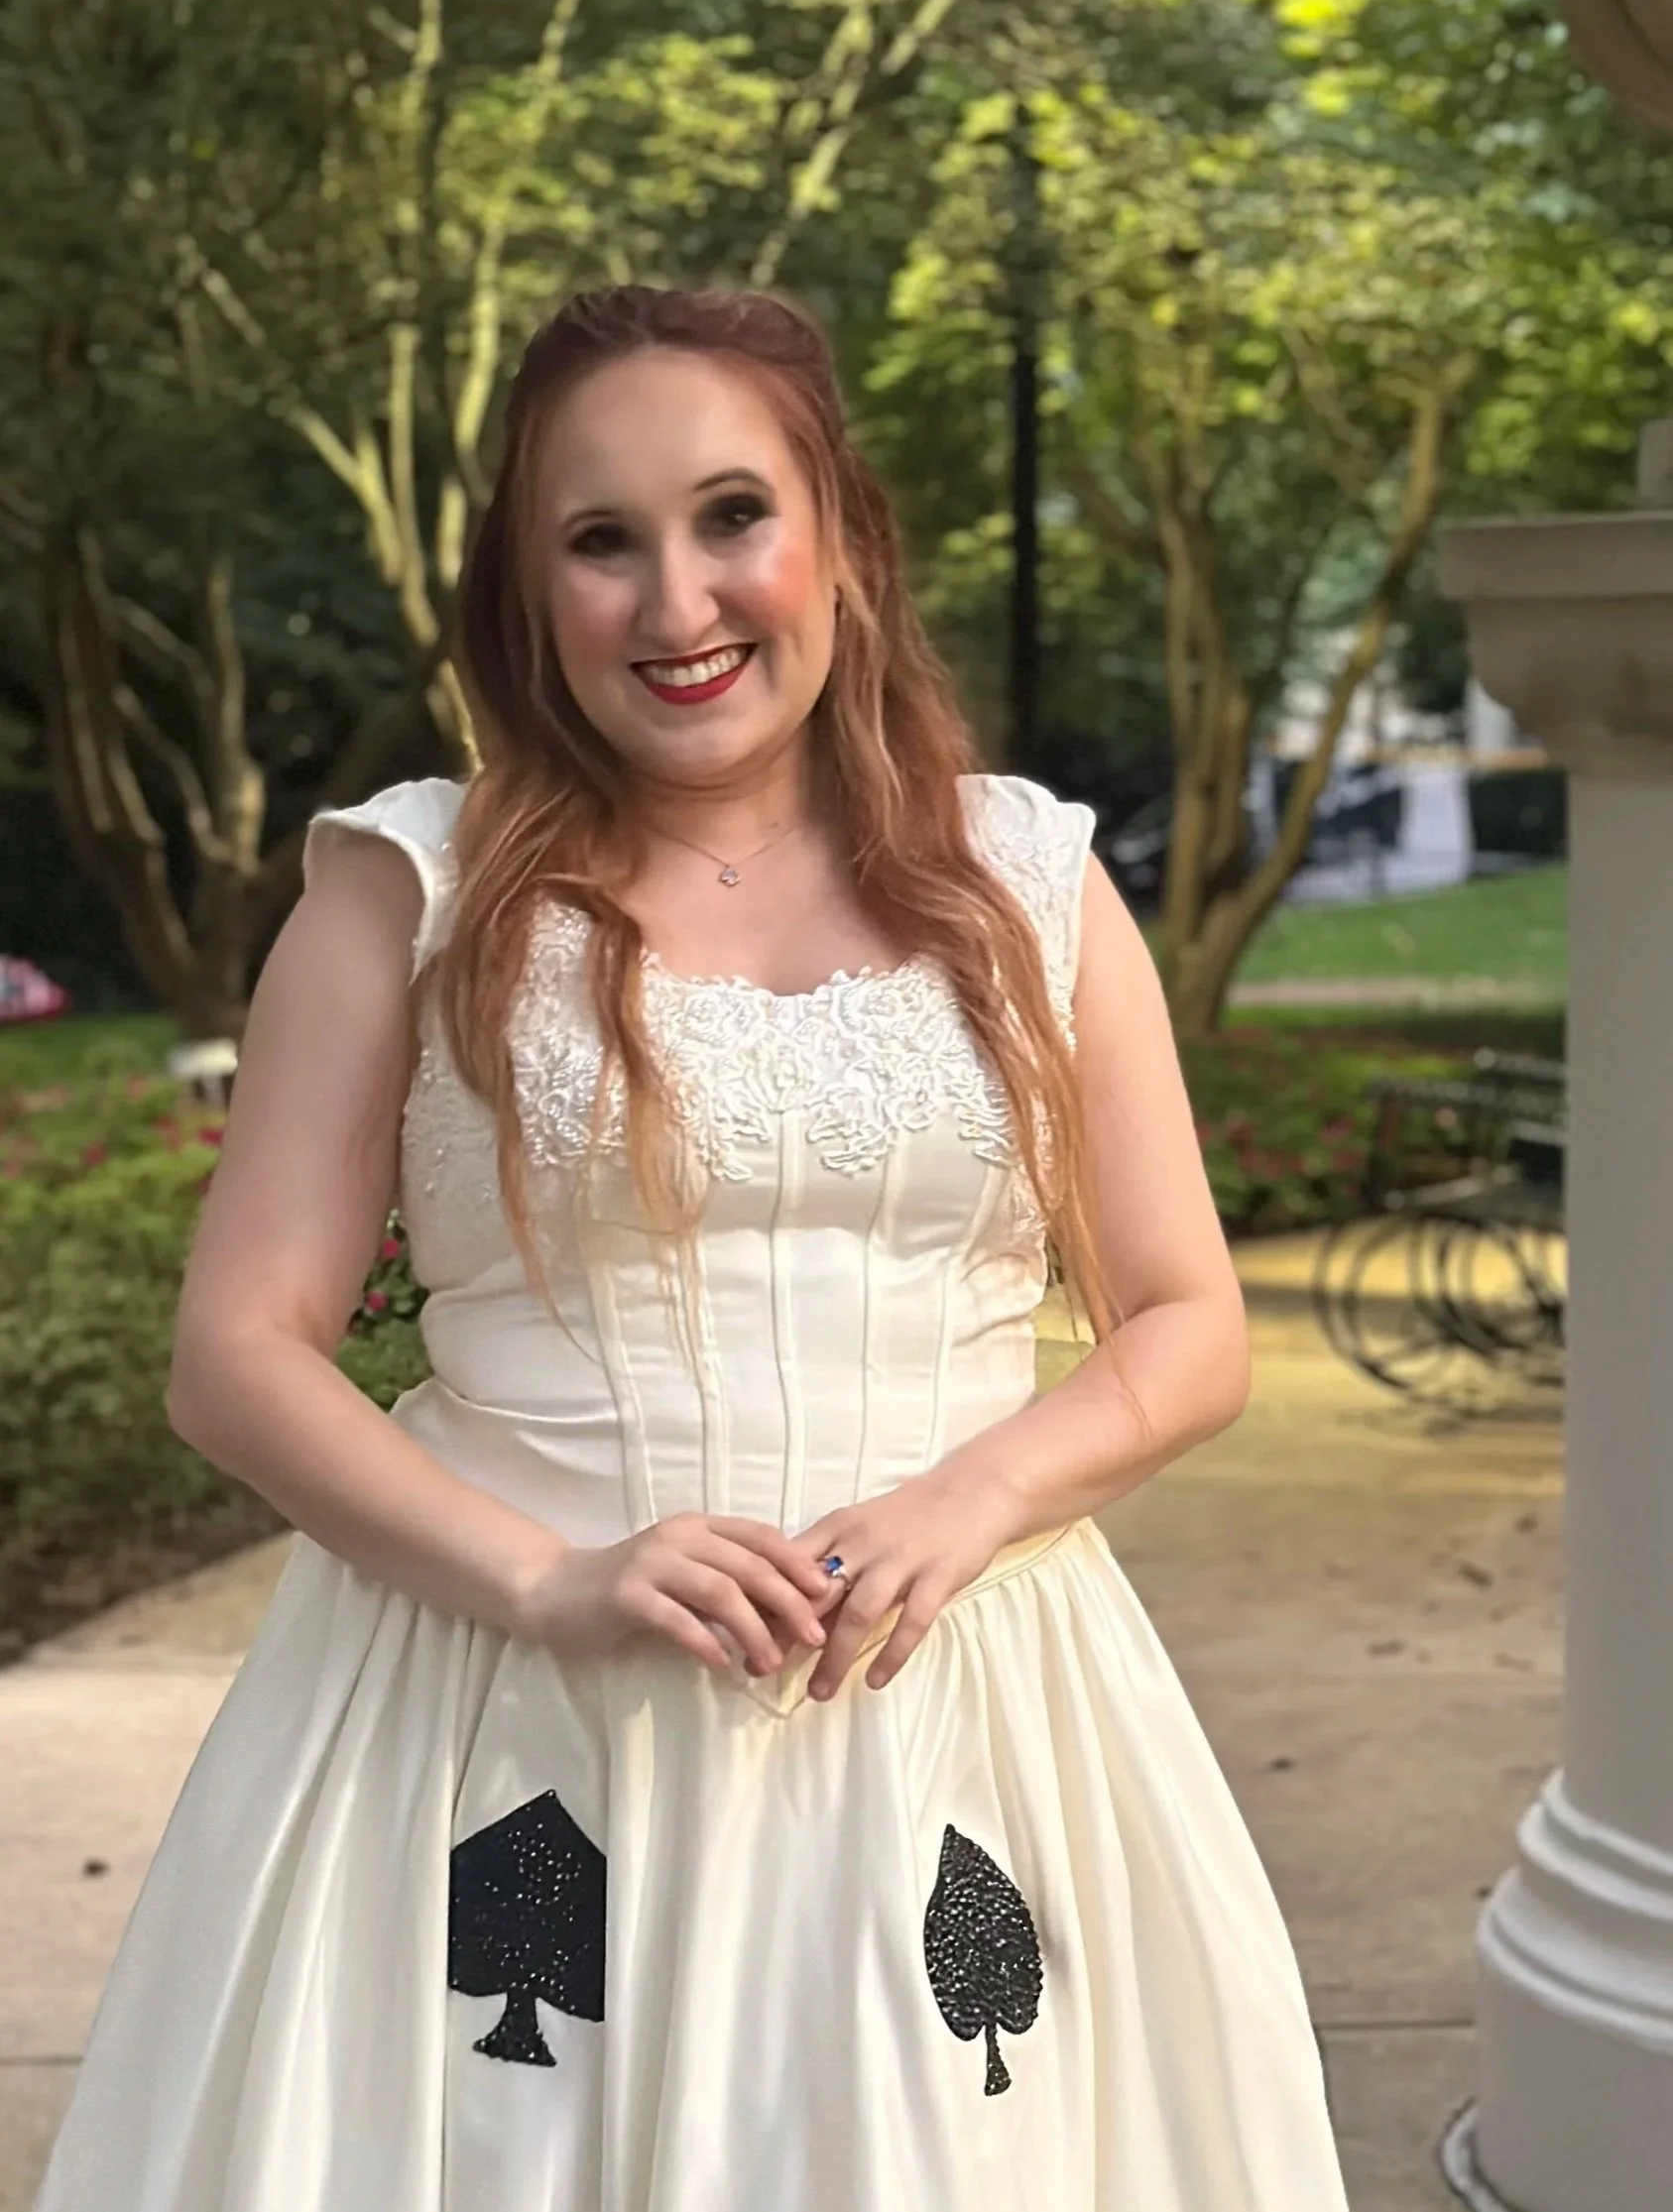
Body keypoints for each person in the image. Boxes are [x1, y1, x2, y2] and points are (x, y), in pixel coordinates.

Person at [31, 285, 1352, 2211]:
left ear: (841, 535)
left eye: (733, 514)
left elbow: (1186, 1321)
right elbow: (236, 1348)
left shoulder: (1030, 888)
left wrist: (976, 1495)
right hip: (505, 1704)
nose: (679, 603)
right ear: (527, 586)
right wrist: (553, 1576)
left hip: (958, 1700)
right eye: (601, 540)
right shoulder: (411, 886)